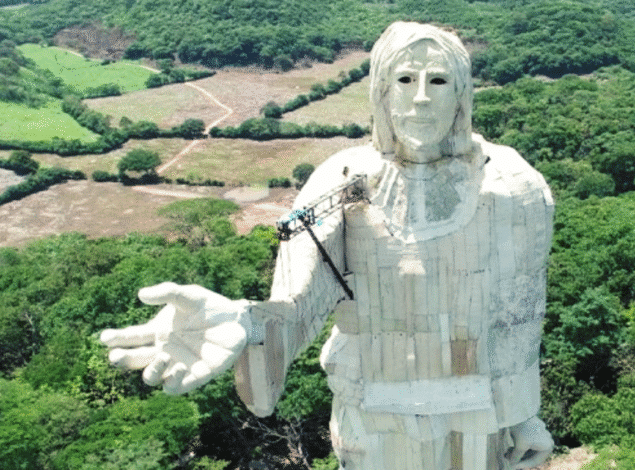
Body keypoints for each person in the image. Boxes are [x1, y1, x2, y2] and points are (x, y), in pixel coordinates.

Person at [100, 21, 555, 470]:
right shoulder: (342, 182)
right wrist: (244, 323)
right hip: (372, 421)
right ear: (381, 91)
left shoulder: (512, 186)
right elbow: (296, 305)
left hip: (476, 424)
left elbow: (516, 316)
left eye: (438, 80)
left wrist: (523, 415)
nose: (421, 97)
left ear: (461, 92)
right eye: (405, 79)